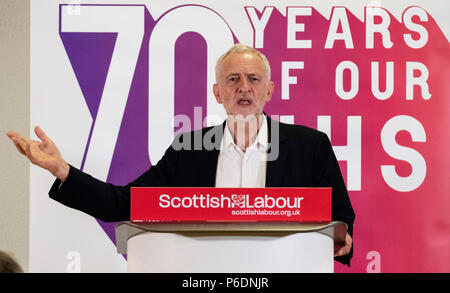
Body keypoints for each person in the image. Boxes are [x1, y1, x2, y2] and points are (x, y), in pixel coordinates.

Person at [6, 44, 355, 265]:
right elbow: (123, 203)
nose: (244, 87)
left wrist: (344, 240)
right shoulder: (189, 151)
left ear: (269, 90)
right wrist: (64, 170)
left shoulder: (311, 147)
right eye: (233, 79)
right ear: (218, 93)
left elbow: (339, 220)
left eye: (253, 79)